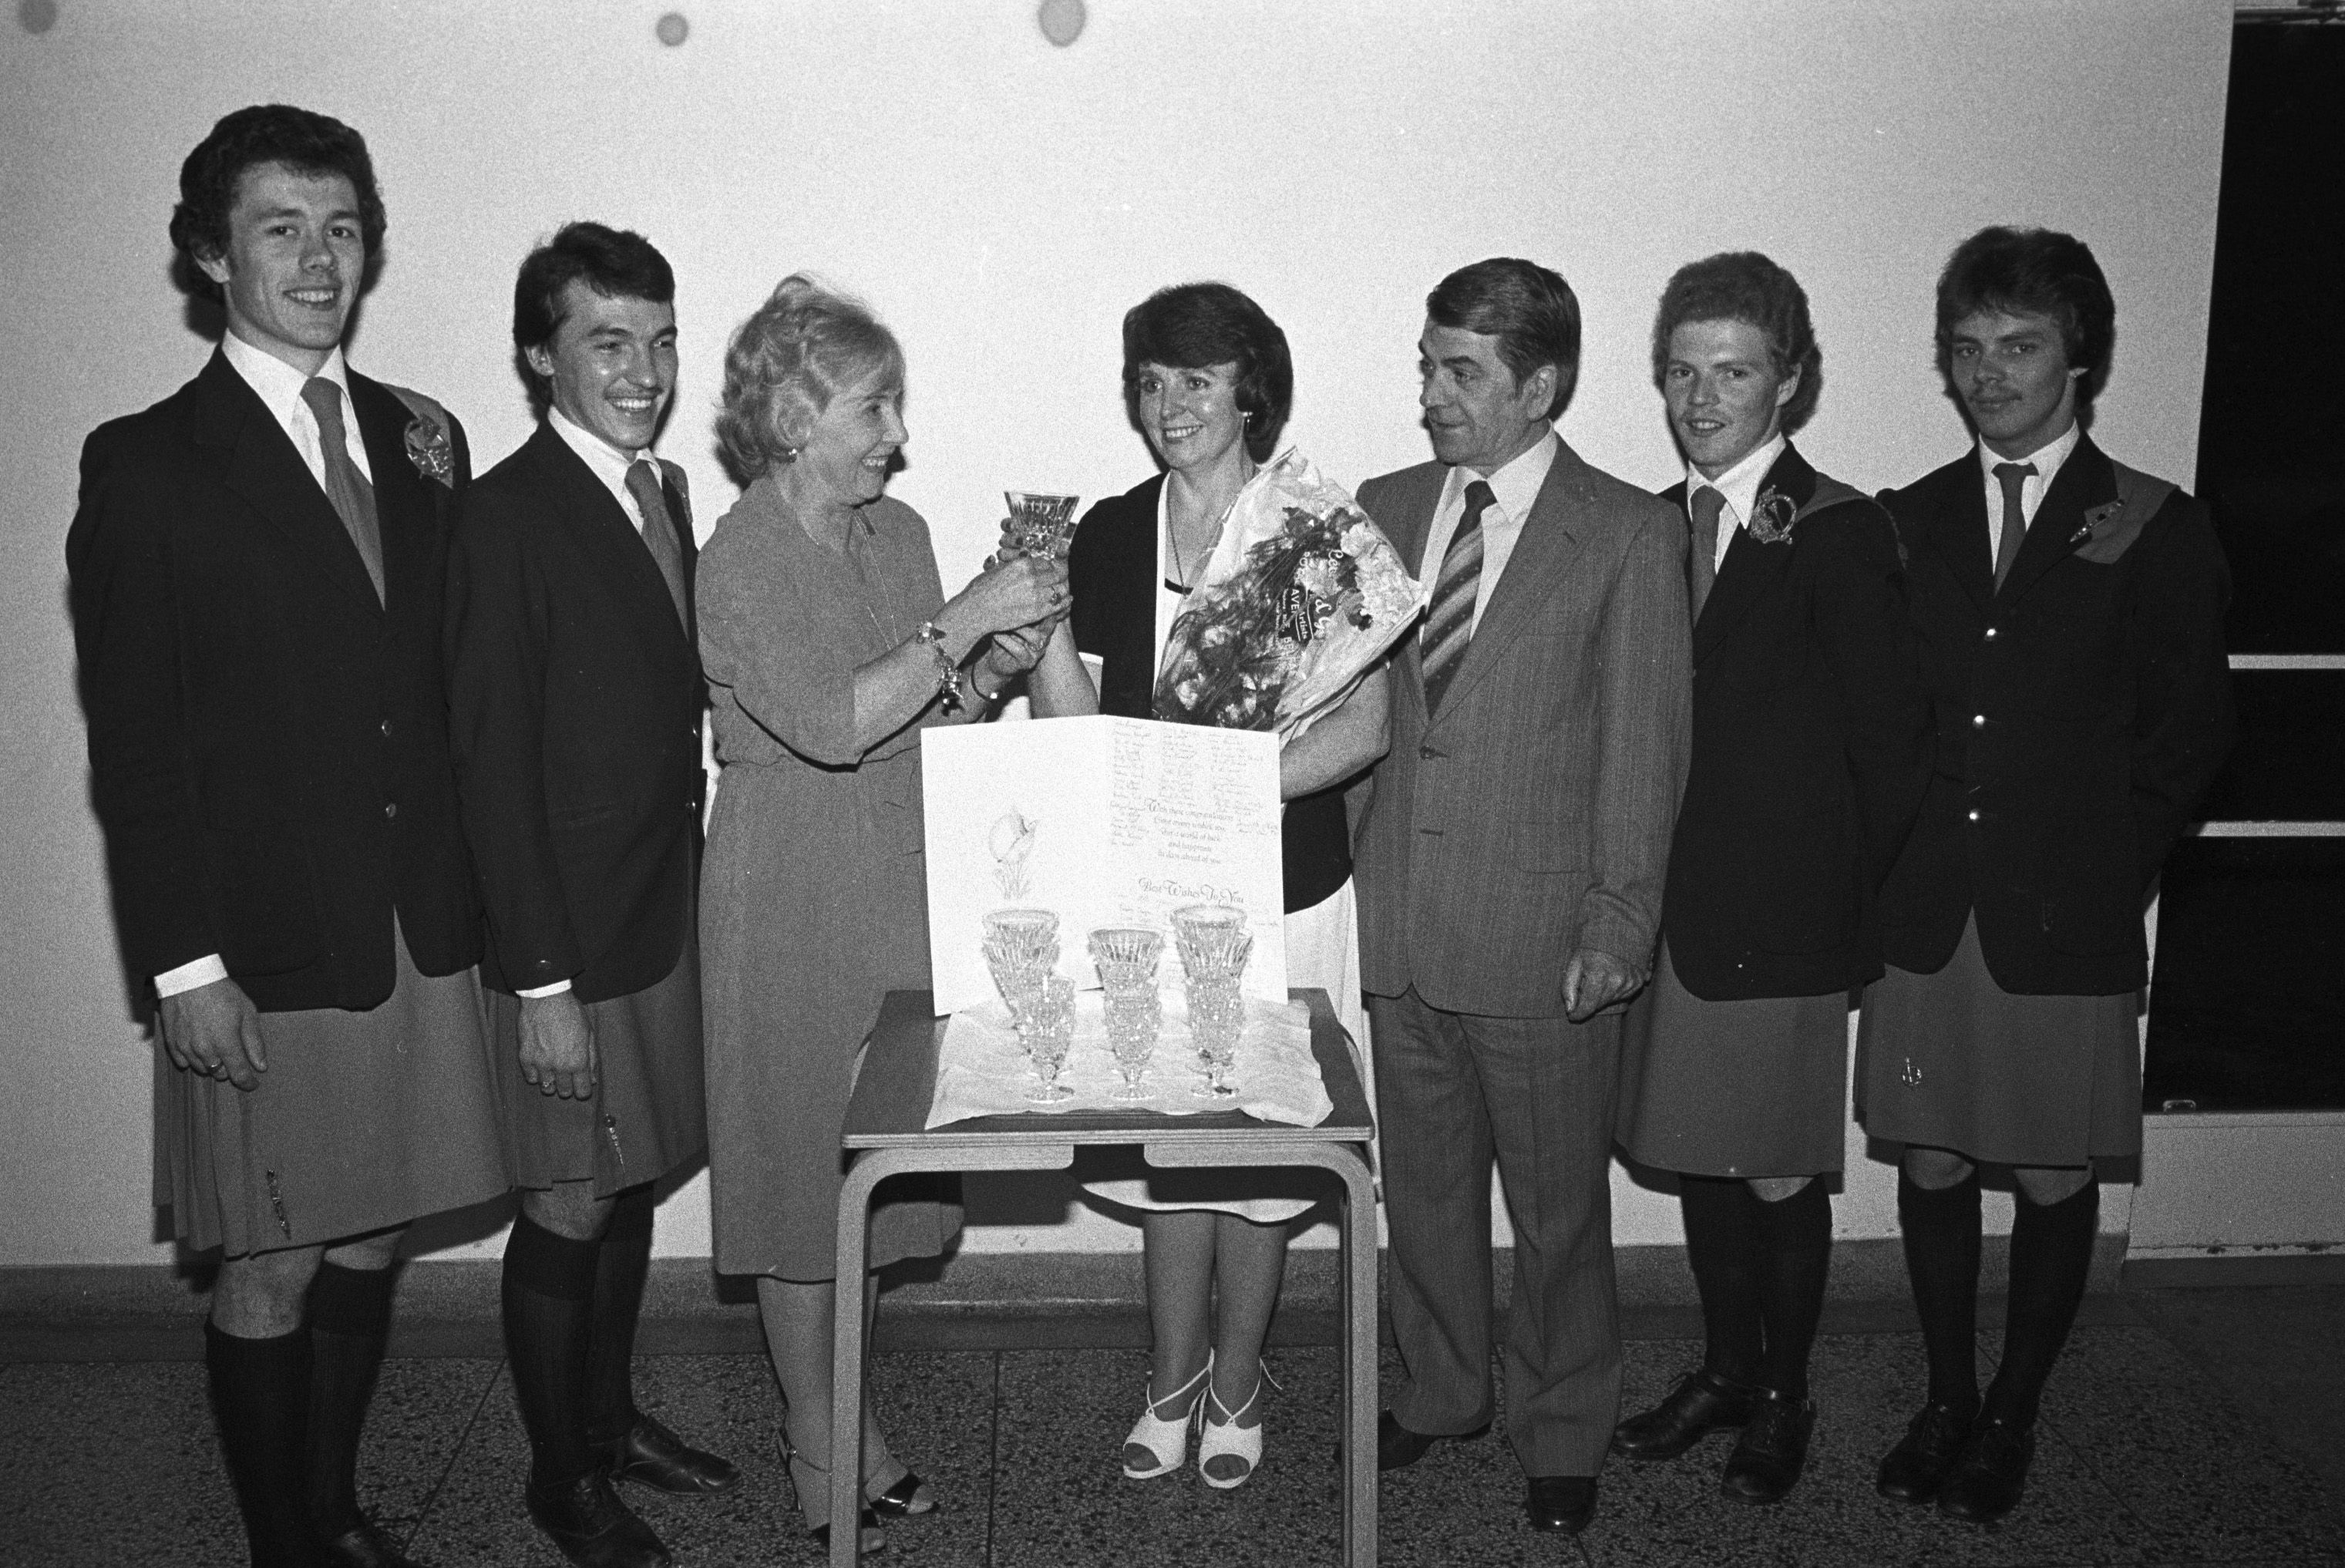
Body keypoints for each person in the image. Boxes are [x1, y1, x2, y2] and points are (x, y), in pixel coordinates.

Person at [66, 105, 510, 1567]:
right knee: (269, 1258)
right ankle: (283, 1546)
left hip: (415, 920)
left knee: (378, 1228)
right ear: (209, 253)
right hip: (259, 935)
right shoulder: (148, 464)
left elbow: (446, 682)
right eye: (280, 227)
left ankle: (330, 1504)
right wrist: (183, 962)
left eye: (342, 227)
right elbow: (134, 742)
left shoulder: (419, 433)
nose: (319, 258)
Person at [1857, 227, 2234, 1524]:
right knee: (1935, 1165)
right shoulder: (1905, 520)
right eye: (1966, 350)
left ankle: (2015, 1408)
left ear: (2081, 356)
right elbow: (1885, 724)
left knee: (2056, 1173)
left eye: (2018, 346)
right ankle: (1947, 1395)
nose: (1989, 373)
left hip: (2062, 916)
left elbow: (2189, 736)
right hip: (1928, 916)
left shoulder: (2152, 523)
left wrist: (2104, 866)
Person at [695, 274, 1065, 1552]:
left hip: (900, 877)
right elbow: (832, 723)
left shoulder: (896, 532)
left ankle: (850, 1415)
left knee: (876, 1169)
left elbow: (924, 713)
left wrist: (996, 662)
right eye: (873, 404)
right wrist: (966, 615)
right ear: (795, 416)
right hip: (789, 888)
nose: (896, 431)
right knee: (802, 1183)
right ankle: (819, 1439)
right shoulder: (738, 555)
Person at [1021, 281, 1391, 1490]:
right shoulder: (1112, 531)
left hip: (1283, 882)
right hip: (1146, 890)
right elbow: (1074, 724)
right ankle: (1168, 1382)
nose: (1169, 403)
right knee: (1170, 1146)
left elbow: (1363, 726)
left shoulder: (1309, 527)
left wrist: (1234, 786)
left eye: (1194, 378)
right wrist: (1037, 641)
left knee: (1261, 1151)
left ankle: (1238, 1384)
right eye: (1150, 379)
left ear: (1249, 390)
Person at [1352, 257, 1692, 1536]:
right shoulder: (1385, 509)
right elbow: (1353, 713)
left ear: (1539, 385)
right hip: (1404, 923)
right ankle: (1443, 1391)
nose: (1430, 392)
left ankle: (1563, 1426)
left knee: (1556, 1215)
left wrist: (1618, 921)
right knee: (1425, 1196)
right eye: (1427, 364)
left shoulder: (1622, 531)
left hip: (1545, 937)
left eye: (1461, 372)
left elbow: (1643, 747)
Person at [1611, 252, 1931, 1505]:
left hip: (1782, 923)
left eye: (1731, 372)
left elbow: (1891, 749)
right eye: (1682, 373)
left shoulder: (1840, 530)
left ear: (1787, 383)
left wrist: (1829, 901)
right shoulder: (1648, 525)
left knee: (1775, 1170)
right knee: (1700, 1157)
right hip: (1672, 916)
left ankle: (1784, 1398)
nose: (1701, 398)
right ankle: (1724, 1372)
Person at [446, 222, 735, 1568]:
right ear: (537, 356)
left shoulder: (659, 490)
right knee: (567, 1201)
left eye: (660, 340)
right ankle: (560, 1480)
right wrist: (540, 984)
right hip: (568, 931)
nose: (644, 369)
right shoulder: (503, 517)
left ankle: (609, 1426)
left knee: (628, 1185)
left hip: (653, 905)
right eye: (607, 343)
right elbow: (490, 768)